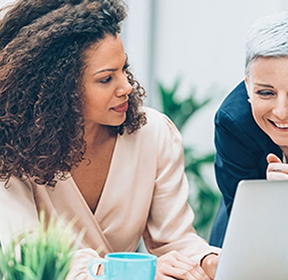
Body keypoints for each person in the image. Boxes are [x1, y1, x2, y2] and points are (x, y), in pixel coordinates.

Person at [0, 0, 220, 279]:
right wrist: (130, 272)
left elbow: (174, 241)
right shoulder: (10, 150)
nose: (127, 86)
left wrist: (210, 260)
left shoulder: (153, 134)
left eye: (124, 69)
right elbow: (27, 253)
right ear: (58, 87)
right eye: (106, 79)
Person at [209, 12, 288, 248]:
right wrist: (274, 200)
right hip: (249, 241)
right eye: (265, 93)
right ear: (247, 86)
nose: (281, 112)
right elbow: (246, 227)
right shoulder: (234, 123)